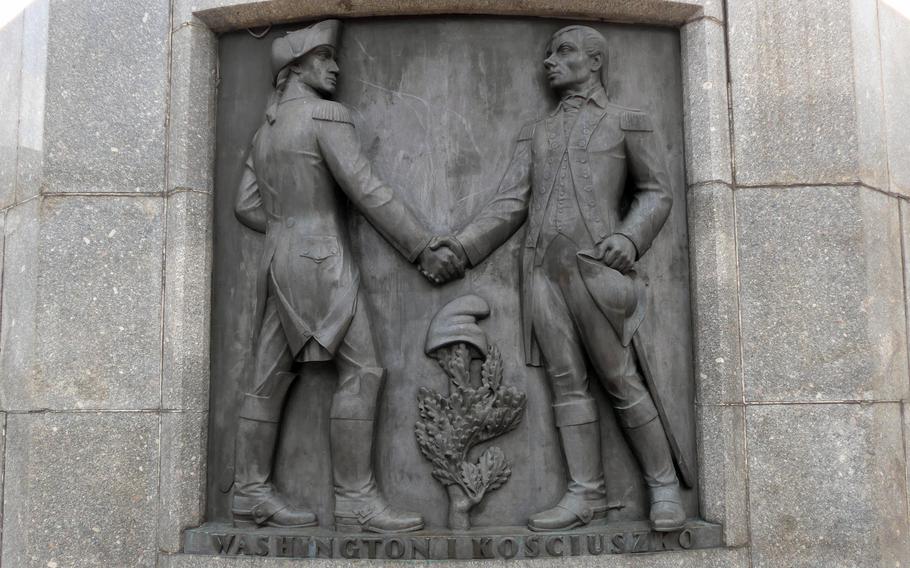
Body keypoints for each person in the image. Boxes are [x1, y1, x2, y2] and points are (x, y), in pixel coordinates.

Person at [429, 24, 687, 532]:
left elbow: (656, 192)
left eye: (563, 52)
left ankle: (663, 488)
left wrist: (631, 239)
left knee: (619, 379)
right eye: (549, 53)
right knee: (567, 385)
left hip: (596, 272)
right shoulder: (537, 132)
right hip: (543, 273)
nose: (550, 61)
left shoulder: (627, 122)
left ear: (593, 62)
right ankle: (584, 494)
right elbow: (511, 203)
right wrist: (461, 247)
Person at [232, 19, 463, 532]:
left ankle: (249, 491)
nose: (336, 67)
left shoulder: (265, 129)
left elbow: (245, 205)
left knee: (268, 377)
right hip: (322, 264)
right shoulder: (325, 116)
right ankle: (355, 499)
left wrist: (288, 225)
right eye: (324, 58)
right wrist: (421, 246)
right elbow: (366, 190)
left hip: (279, 260)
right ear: (296, 67)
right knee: (364, 370)